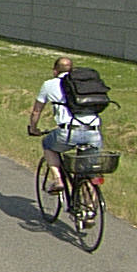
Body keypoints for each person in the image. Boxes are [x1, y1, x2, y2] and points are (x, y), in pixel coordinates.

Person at [27, 56, 101, 193]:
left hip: (68, 132)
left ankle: (58, 180)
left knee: (47, 144)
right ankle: (91, 202)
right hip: (94, 132)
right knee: (89, 172)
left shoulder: (49, 84)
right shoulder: (84, 84)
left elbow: (36, 111)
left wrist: (33, 128)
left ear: (55, 71)